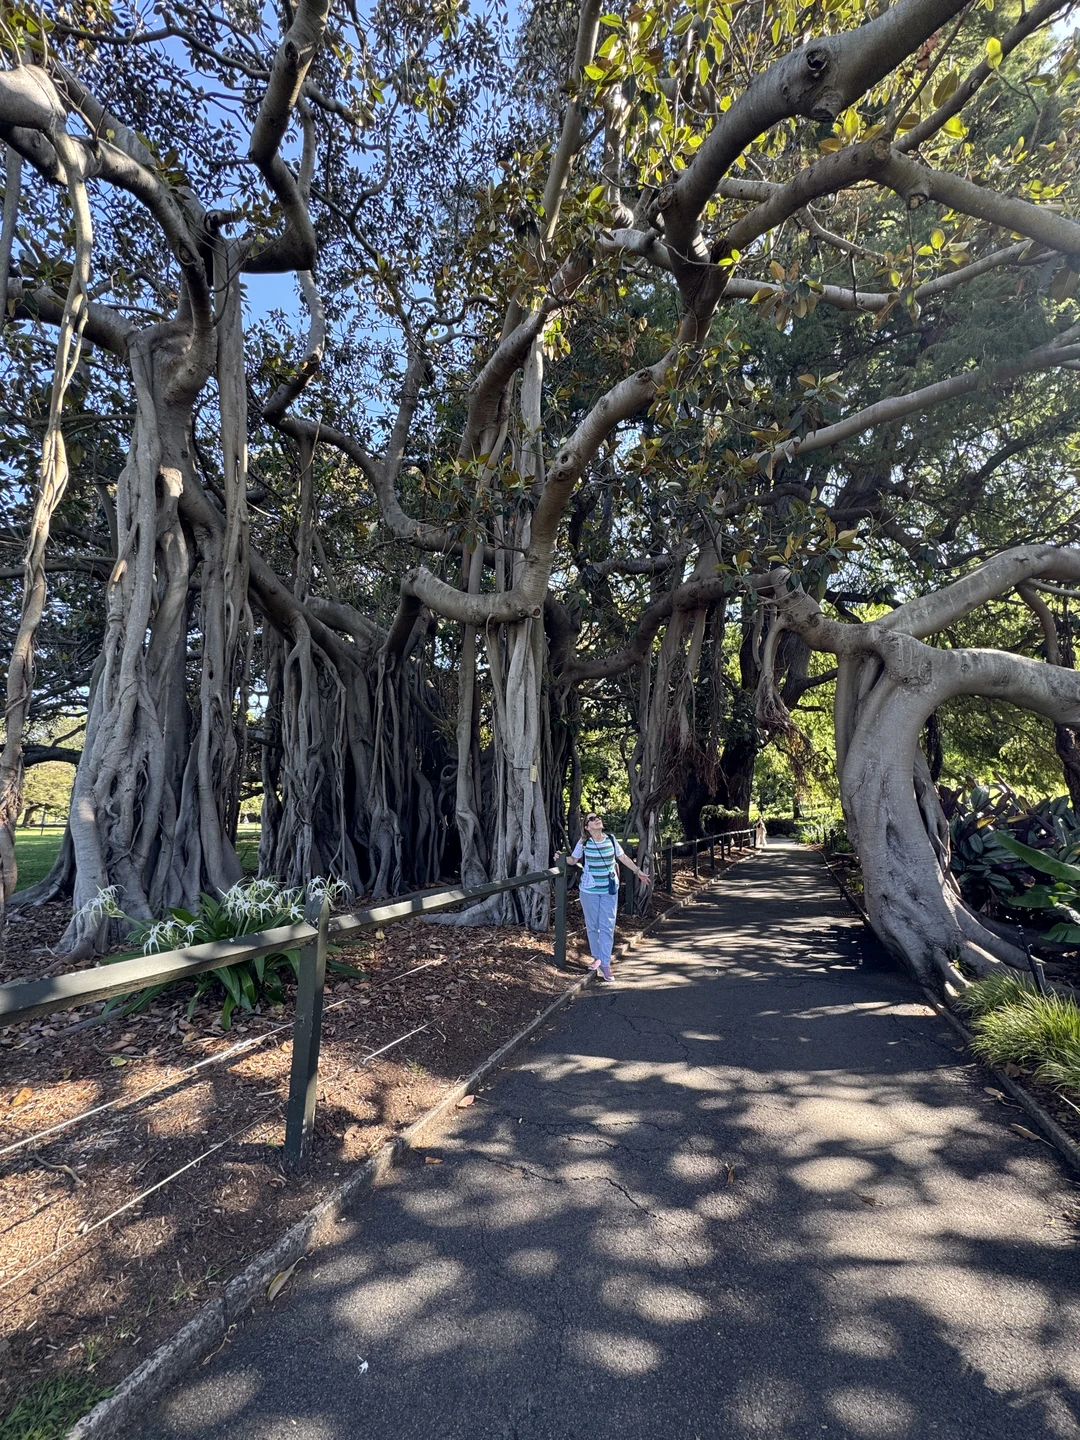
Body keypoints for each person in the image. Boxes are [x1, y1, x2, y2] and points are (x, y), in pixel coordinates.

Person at [557, 812, 650, 982]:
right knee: (593, 925)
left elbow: (622, 857)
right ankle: (597, 958)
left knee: (607, 925)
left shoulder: (611, 839)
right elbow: (573, 859)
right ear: (587, 827)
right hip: (589, 890)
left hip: (609, 889)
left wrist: (638, 872)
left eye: (597, 817)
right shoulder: (584, 842)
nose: (597, 819)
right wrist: (561, 857)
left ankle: (605, 964)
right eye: (591, 819)